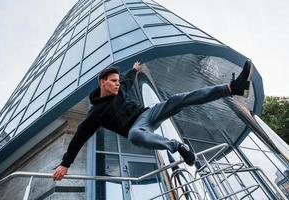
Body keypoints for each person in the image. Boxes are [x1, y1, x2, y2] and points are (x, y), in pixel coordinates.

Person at [52, 60, 253, 181]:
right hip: (138, 127)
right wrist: (65, 164)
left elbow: (128, 79)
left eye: (117, 81)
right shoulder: (96, 113)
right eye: (113, 82)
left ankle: (233, 88)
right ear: (102, 82)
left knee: (179, 99)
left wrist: (135, 69)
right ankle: (178, 147)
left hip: (148, 113)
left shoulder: (120, 88)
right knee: (134, 135)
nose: (117, 85)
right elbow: (80, 136)